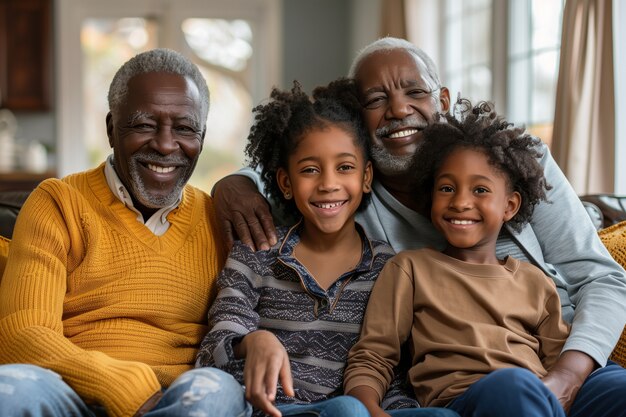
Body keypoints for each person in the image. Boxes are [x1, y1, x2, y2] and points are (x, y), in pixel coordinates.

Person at [211, 36, 626, 416]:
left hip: (564, 361)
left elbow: (601, 278)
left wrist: (568, 375)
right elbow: (302, 166)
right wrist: (236, 182)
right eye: (377, 99)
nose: (398, 109)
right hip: (468, 387)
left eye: (415, 91)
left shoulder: (510, 162)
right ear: (359, 116)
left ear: (442, 99)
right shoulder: (359, 200)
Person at [0, 49, 248, 417]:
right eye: (144, 125)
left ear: (202, 136)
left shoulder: (219, 217)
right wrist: (122, 384)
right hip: (71, 394)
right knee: (11, 390)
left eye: (184, 128)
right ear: (111, 128)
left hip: (184, 399)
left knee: (217, 391)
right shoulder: (58, 203)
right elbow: (22, 337)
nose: (165, 145)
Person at [195, 79, 458, 417]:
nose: (329, 184)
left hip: (359, 407)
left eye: (344, 167)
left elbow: (392, 370)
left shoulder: (388, 267)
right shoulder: (256, 252)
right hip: (272, 409)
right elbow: (215, 342)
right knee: (348, 410)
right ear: (286, 183)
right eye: (310, 170)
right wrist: (253, 341)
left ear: (365, 178)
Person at [345, 101, 572, 417]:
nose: (461, 202)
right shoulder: (411, 269)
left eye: (480, 190)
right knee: (514, 386)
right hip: (461, 401)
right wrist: (366, 405)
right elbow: (374, 354)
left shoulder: (533, 280)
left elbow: (559, 364)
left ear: (510, 206)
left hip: (532, 395)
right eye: (447, 188)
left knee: (616, 385)